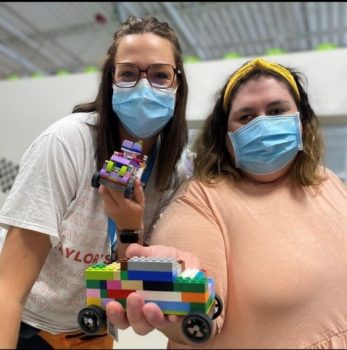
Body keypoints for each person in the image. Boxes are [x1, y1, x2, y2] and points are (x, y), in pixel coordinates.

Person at [105, 57, 347, 349]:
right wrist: (180, 295)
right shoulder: (202, 201)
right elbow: (201, 313)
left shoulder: (325, 181)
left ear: (302, 123)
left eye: (276, 110)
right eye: (246, 116)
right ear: (225, 138)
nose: (262, 122)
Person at [0, 15, 190, 349]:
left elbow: (130, 288)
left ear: (178, 84)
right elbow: (8, 288)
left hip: (92, 330)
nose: (144, 87)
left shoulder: (175, 173)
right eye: (128, 74)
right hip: (28, 326)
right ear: (110, 80)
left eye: (160, 75)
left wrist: (130, 229)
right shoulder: (67, 143)